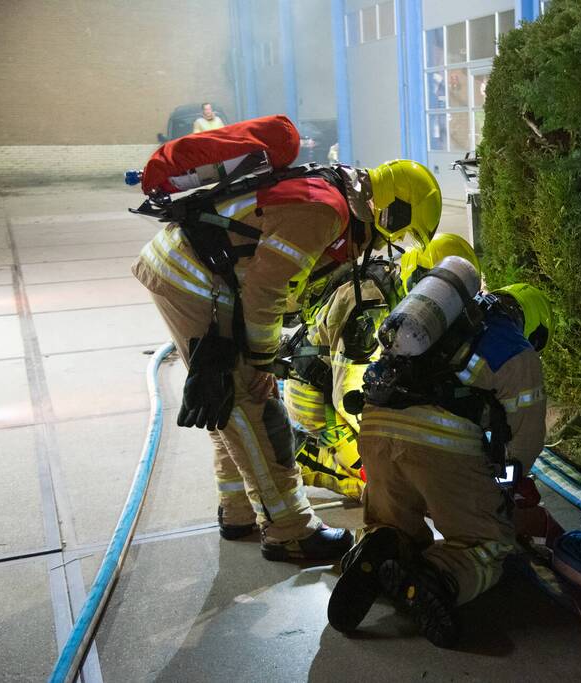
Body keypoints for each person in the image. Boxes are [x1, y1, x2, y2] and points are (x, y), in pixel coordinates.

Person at [131, 158, 442, 562]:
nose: (379, 248)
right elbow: (267, 290)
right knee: (248, 402)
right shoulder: (323, 212)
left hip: (197, 275)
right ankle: (290, 531)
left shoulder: (331, 193)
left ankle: (238, 510)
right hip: (191, 280)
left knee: (230, 400)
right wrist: (262, 362)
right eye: (389, 235)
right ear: (390, 210)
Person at [327, 283, 553, 646]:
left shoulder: (431, 326)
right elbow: (524, 443)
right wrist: (503, 487)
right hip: (440, 444)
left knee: (391, 522)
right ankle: (436, 577)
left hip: (375, 430)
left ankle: (379, 547)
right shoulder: (516, 349)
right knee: (485, 544)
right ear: (533, 325)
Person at [287, 234, 482, 501]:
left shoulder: (404, 295)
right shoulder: (370, 305)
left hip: (347, 390)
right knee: (392, 489)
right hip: (321, 403)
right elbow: (347, 399)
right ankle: (306, 457)